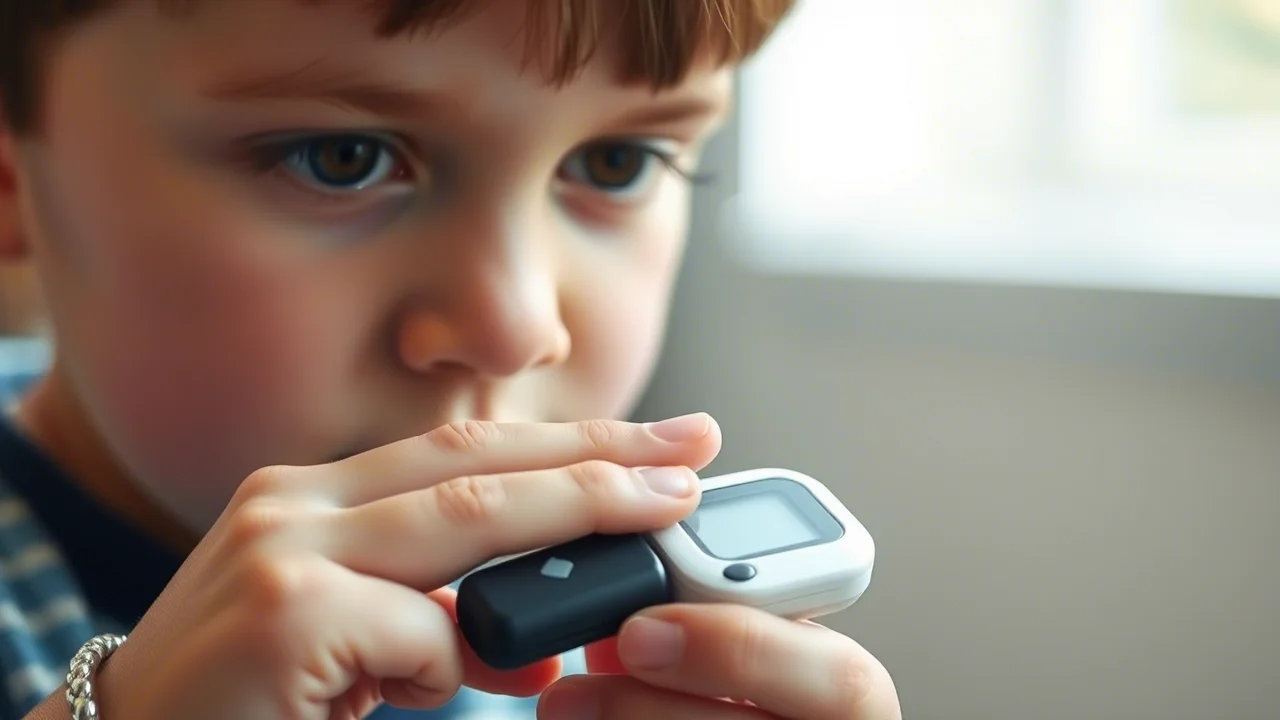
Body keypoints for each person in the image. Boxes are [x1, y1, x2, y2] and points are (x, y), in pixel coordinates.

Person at [0, 0, 903, 718]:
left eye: (618, 162)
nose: (515, 327)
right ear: (13, 183)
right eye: (342, 158)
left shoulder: (601, 645)